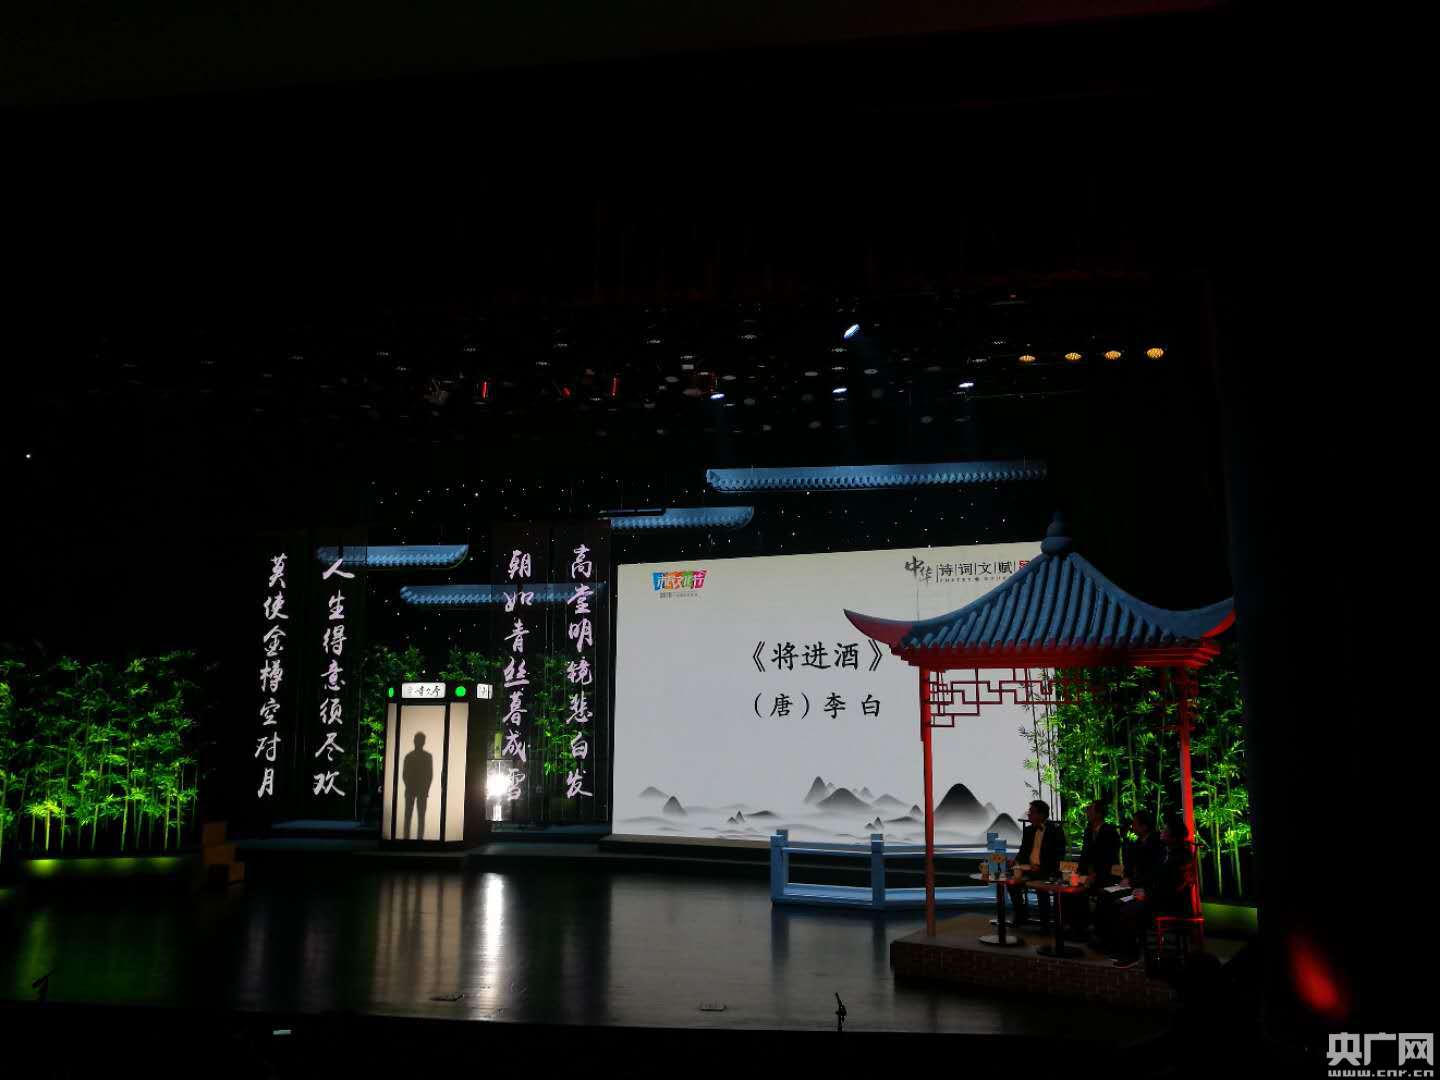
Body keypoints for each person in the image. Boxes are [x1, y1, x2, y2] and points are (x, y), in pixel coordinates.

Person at [1108, 808, 1198, 968]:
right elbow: (1157, 878)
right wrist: (1143, 890)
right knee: (1120, 903)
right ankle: (1124, 949)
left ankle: (1131, 954)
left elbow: (1172, 887)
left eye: (1165, 830)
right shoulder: (1168, 852)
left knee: (1128, 910)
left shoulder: (1180, 857)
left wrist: (1147, 894)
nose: (1161, 831)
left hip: (1171, 903)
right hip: (1159, 896)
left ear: (1173, 836)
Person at [1006, 799, 1066, 928]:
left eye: (1031, 812)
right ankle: (1021, 915)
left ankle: (1045, 922)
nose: (1028, 814)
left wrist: (1040, 867)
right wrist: (1016, 861)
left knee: (1041, 886)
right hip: (1029, 869)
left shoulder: (1055, 831)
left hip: (1046, 870)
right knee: (1011, 882)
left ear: (1041, 814)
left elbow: (1058, 856)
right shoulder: (1028, 830)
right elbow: (1023, 852)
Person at [1070, 800, 1122, 935]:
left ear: (1098, 814)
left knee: (1098, 892)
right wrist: (1079, 872)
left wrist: (1094, 875)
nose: (1087, 812)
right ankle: (1077, 927)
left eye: (1090, 810)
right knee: (1070, 888)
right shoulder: (1088, 830)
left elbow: (1110, 859)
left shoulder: (1110, 832)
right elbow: (1085, 855)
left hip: (1106, 875)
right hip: (1089, 874)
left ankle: (1096, 930)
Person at [401, 731, 434, 840]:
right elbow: (429, 775)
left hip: (413, 790)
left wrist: (410, 787)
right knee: (419, 818)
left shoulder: (409, 756)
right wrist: (425, 789)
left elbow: (405, 775)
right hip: (420, 791)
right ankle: (418, 840)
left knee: (409, 818)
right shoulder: (427, 757)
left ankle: (407, 840)